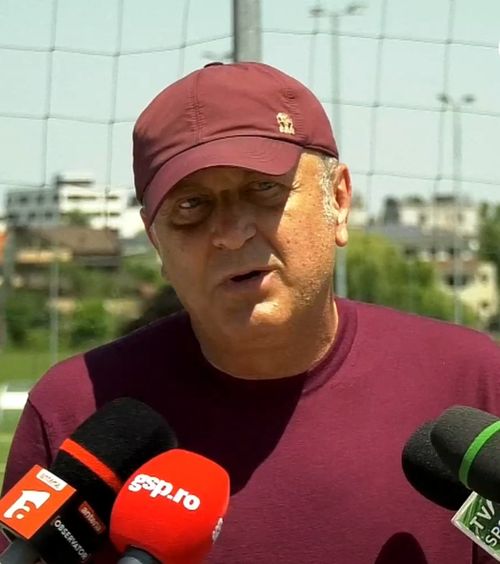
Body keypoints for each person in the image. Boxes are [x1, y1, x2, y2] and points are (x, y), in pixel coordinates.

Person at [1, 61, 500, 564]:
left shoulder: (473, 382)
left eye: (265, 189)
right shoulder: (75, 411)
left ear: (338, 200)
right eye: (191, 206)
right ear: (155, 241)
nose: (232, 233)